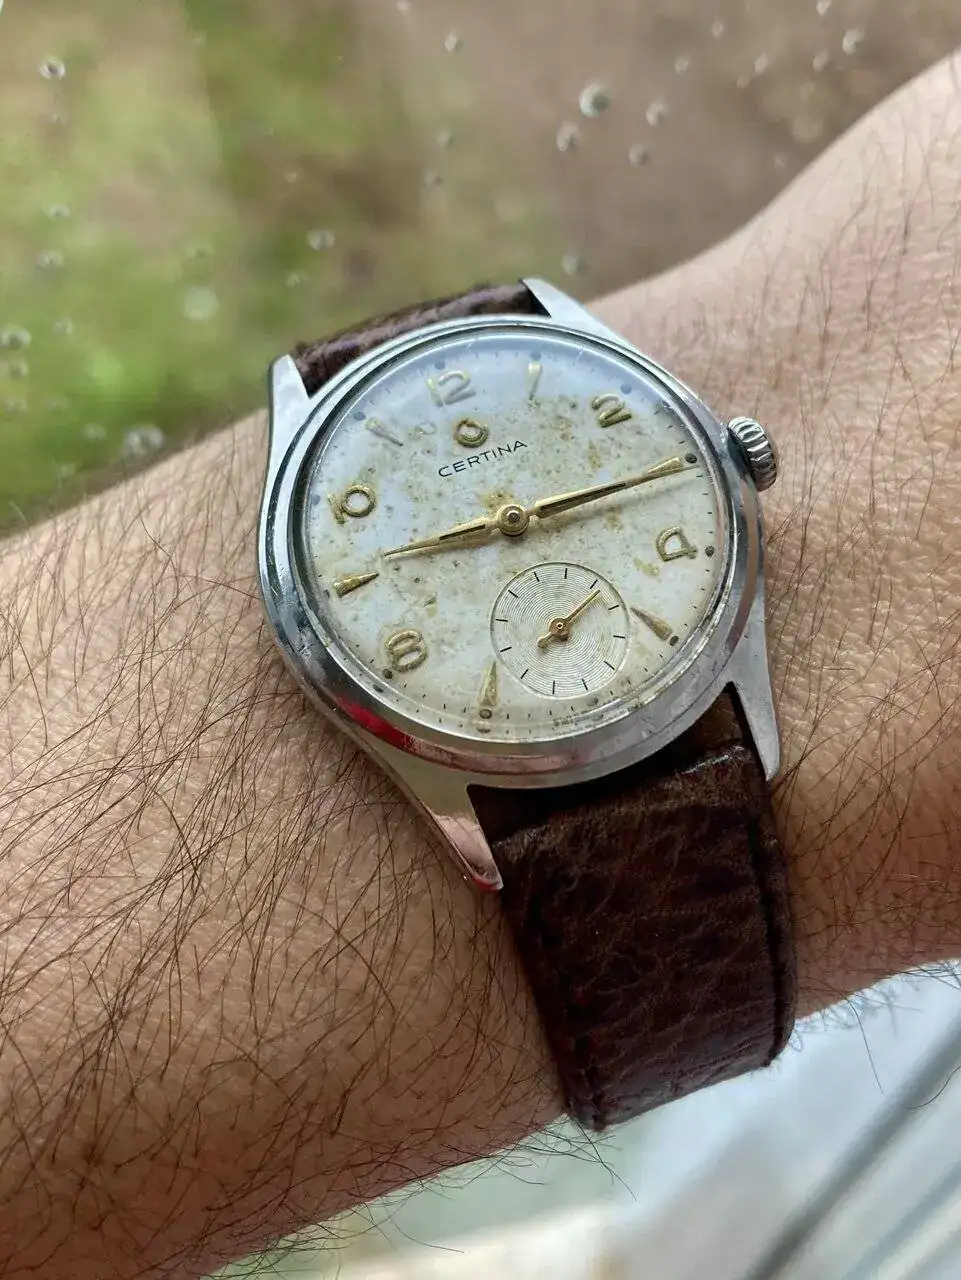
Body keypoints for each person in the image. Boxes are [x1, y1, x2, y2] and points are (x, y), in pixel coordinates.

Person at [2, 51, 961, 1280]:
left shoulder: (679, 502)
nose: (512, 521)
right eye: (500, 519)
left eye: (522, 511)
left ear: (738, 454)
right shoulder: (385, 662)